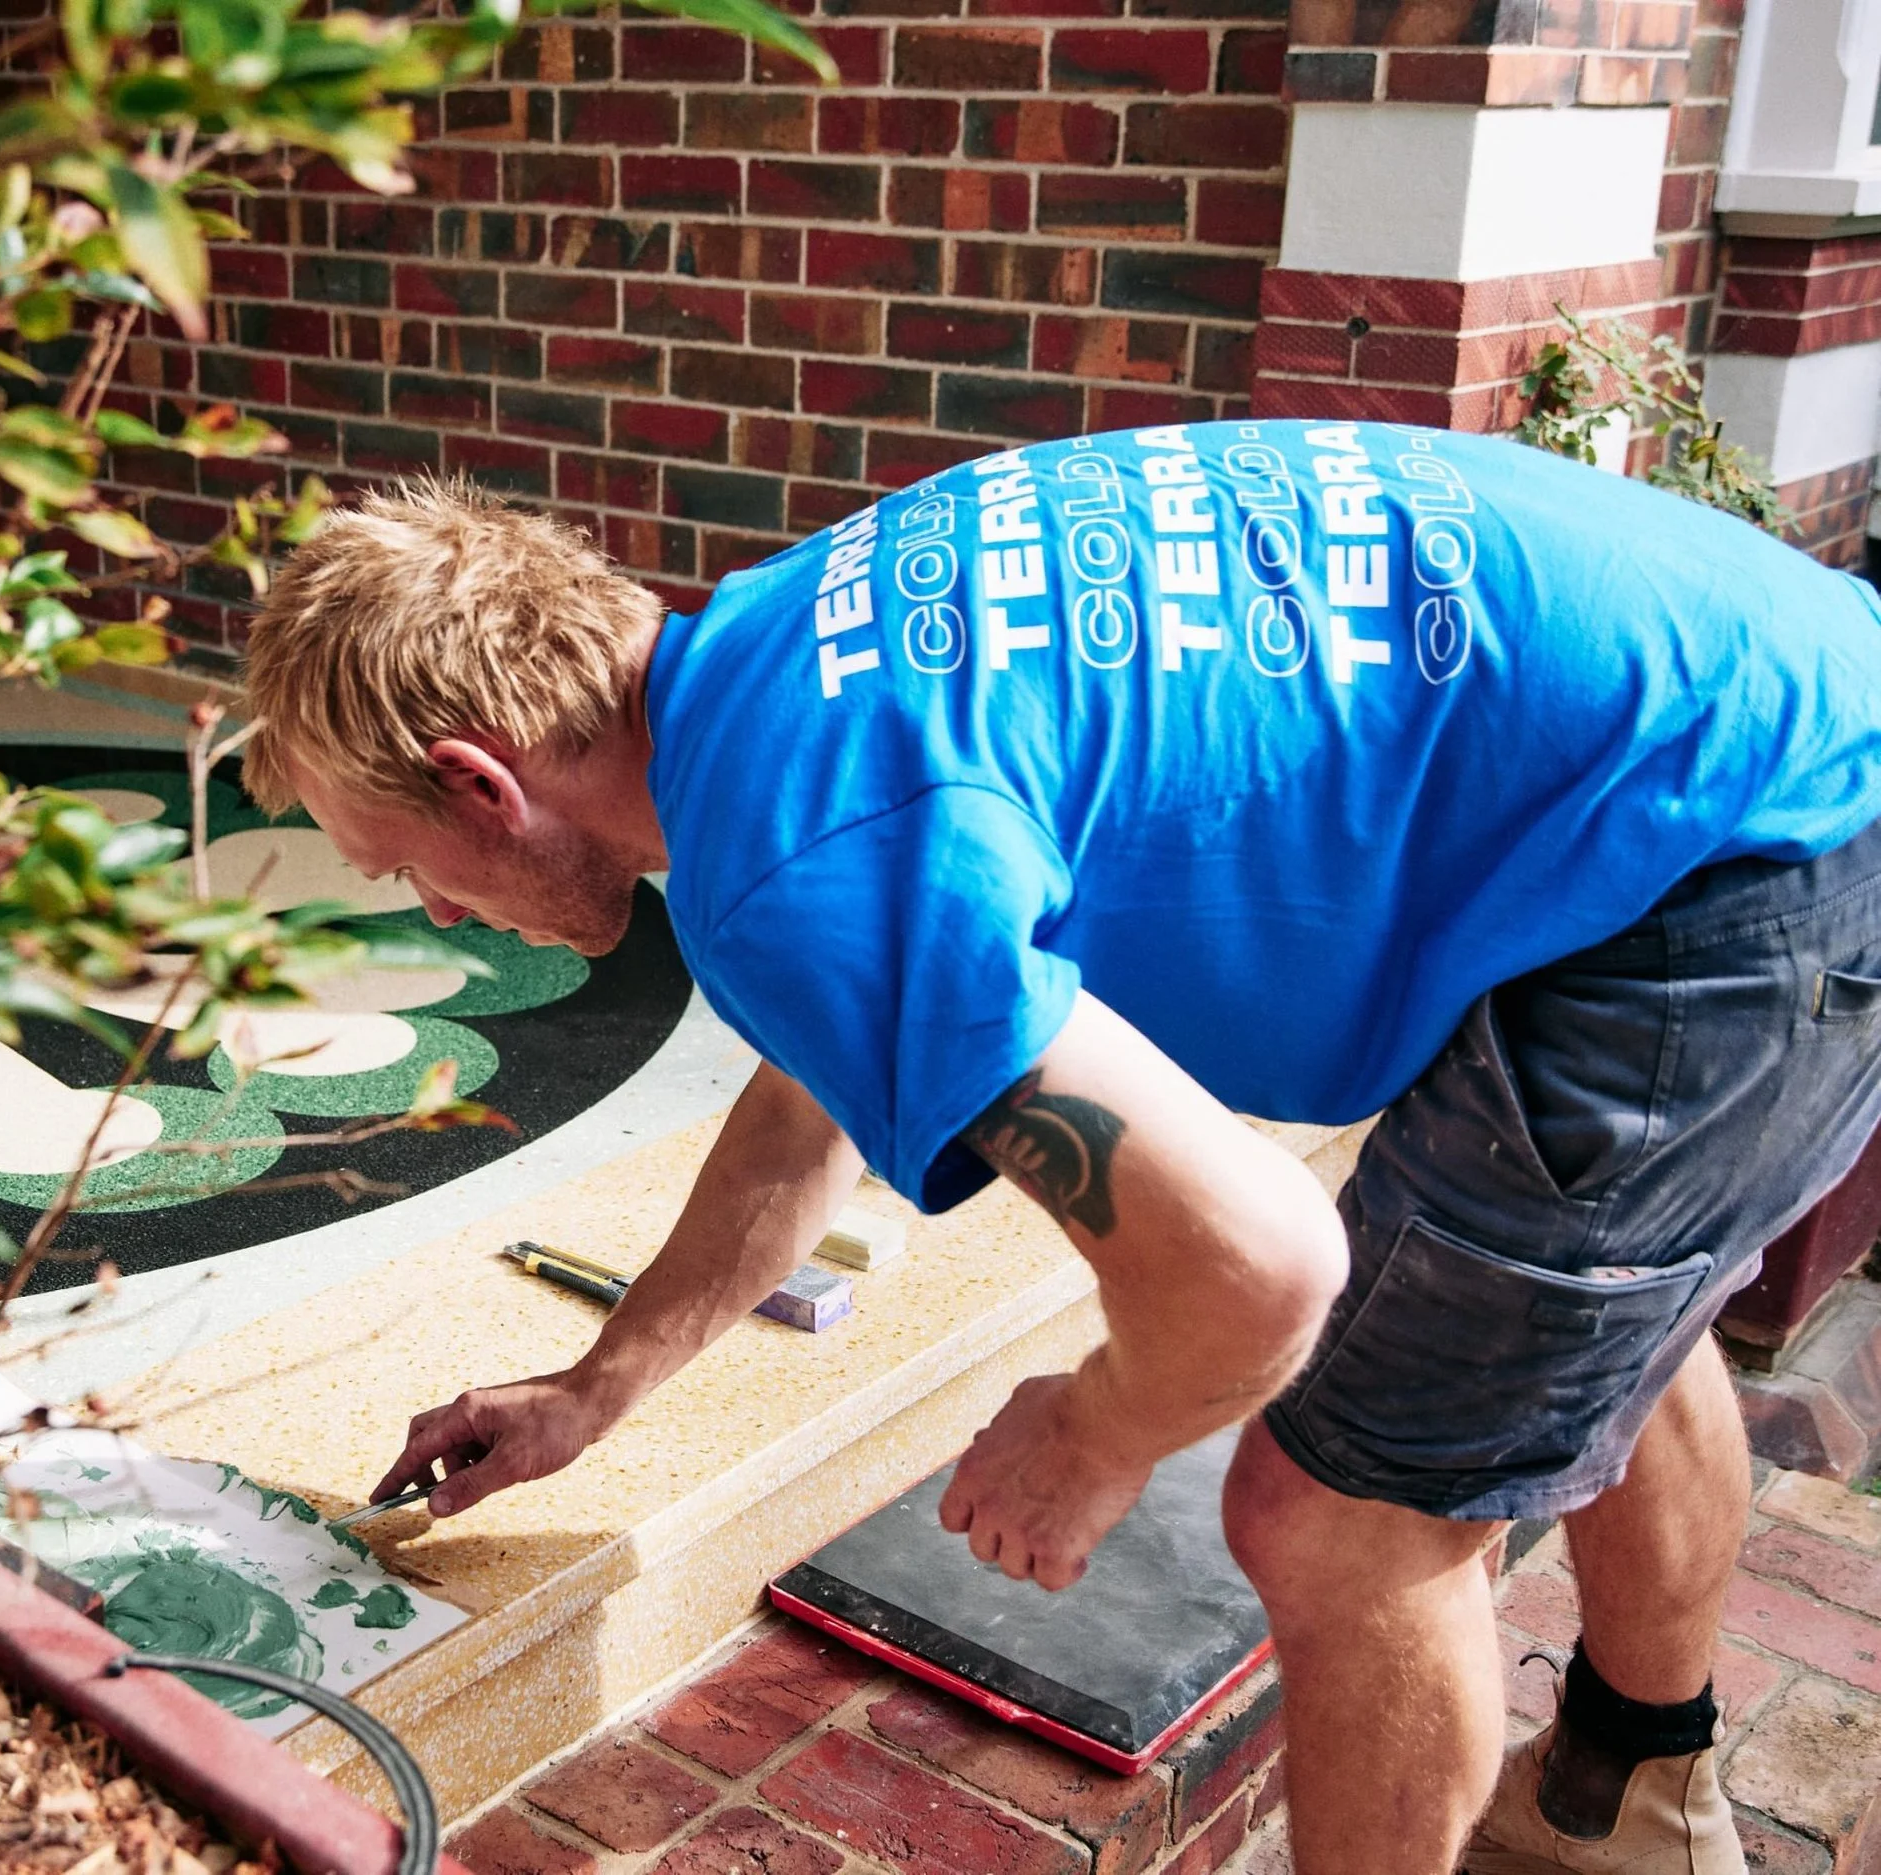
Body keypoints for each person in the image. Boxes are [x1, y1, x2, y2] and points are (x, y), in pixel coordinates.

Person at [236, 420, 1881, 1875]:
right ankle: (1636, 1804)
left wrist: (1096, 1432)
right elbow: (813, 1097)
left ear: (478, 781)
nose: (443, 914)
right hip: (1766, 736)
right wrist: (598, 1387)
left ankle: (1624, 1814)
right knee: (1588, 1315)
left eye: (408, 872)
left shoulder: (795, 854)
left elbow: (1256, 1267)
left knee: (1337, 1519)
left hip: (1732, 865)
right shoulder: (771, 658)